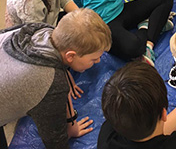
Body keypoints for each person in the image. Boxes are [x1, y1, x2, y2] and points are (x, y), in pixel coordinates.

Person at [0, 8, 112, 149]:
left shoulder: (42, 30)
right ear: (70, 56)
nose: (98, 61)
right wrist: (67, 132)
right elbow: (55, 141)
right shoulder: (47, 81)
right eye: (94, 59)